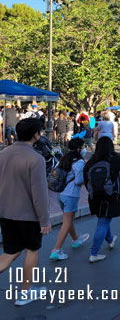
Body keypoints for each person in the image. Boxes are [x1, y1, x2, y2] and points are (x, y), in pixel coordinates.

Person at [0, 118, 51, 305]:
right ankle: (25, 292)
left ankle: (26, 291)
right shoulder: (36, 159)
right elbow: (39, 193)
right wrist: (44, 220)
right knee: (32, 249)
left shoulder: (3, 154)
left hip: (5, 211)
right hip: (28, 214)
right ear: (36, 134)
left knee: (11, 251)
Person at [83, 137, 120, 263]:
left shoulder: (90, 162)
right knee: (103, 222)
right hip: (110, 196)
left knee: (103, 218)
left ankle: (110, 240)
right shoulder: (113, 160)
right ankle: (94, 253)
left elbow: (85, 180)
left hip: (95, 197)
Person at [49, 138, 90, 261]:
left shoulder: (63, 158)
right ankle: (57, 249)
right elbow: (79, 180)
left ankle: (76, 239)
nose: (84, 149)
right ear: (79, 148)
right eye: (83, 147)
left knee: (68, 218)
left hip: (60, 193)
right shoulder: (79, 162)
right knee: (67, 221)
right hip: (71, 194)